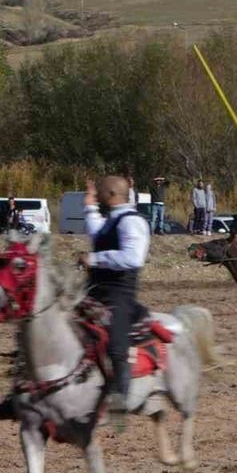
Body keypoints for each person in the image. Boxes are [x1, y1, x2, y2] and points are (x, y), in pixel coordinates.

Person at [78, 175, 151, 430]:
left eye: (98, 192)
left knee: (118, 348)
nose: (96, 194)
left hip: (119, 296)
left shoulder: (132, 222)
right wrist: (89, 206)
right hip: (95, 291)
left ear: (111, 195)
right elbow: (97, 232)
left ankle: (119, 407)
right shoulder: (112, 220)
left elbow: (133, 258)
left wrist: (95, 259)